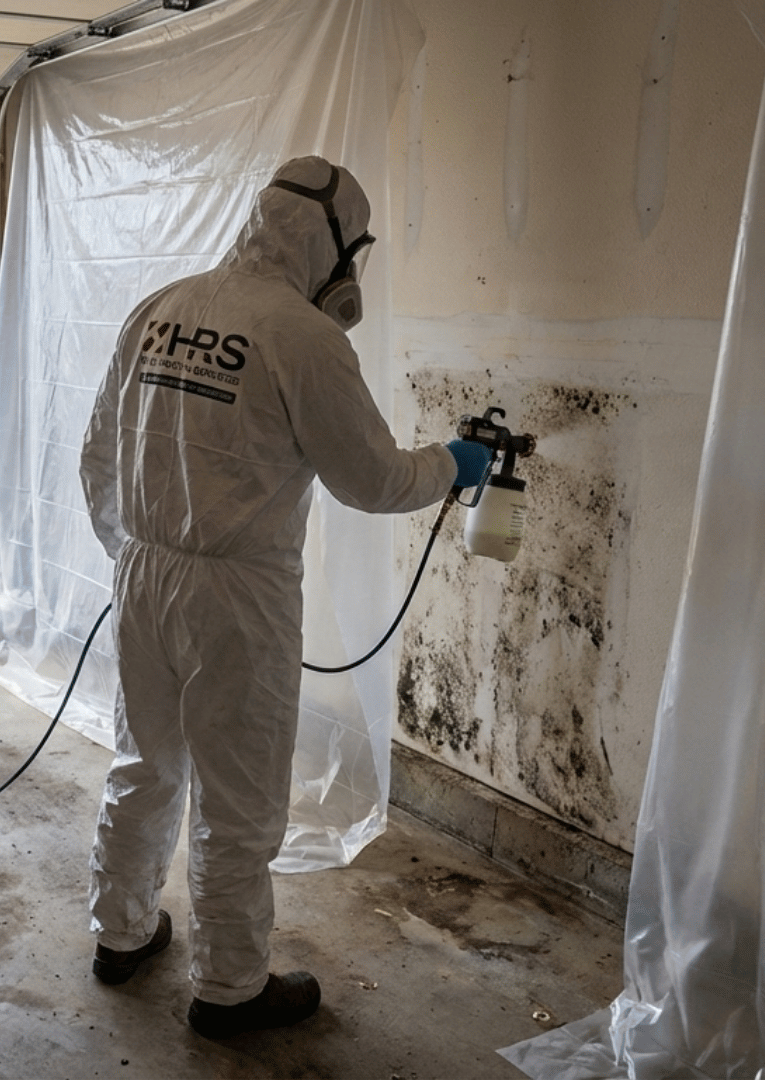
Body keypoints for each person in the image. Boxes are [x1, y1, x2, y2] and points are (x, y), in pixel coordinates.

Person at [79, 155, 490, 1039]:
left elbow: (98, 457)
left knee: (143, 762)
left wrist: (136, 555)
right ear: (332, 245)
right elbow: (373, 479)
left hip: (146, 574)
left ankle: (119, 933)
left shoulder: (163, 307)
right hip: (238, 595)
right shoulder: (302, 337)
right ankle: (229, 989)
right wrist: (451, 466)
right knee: (238, 794)